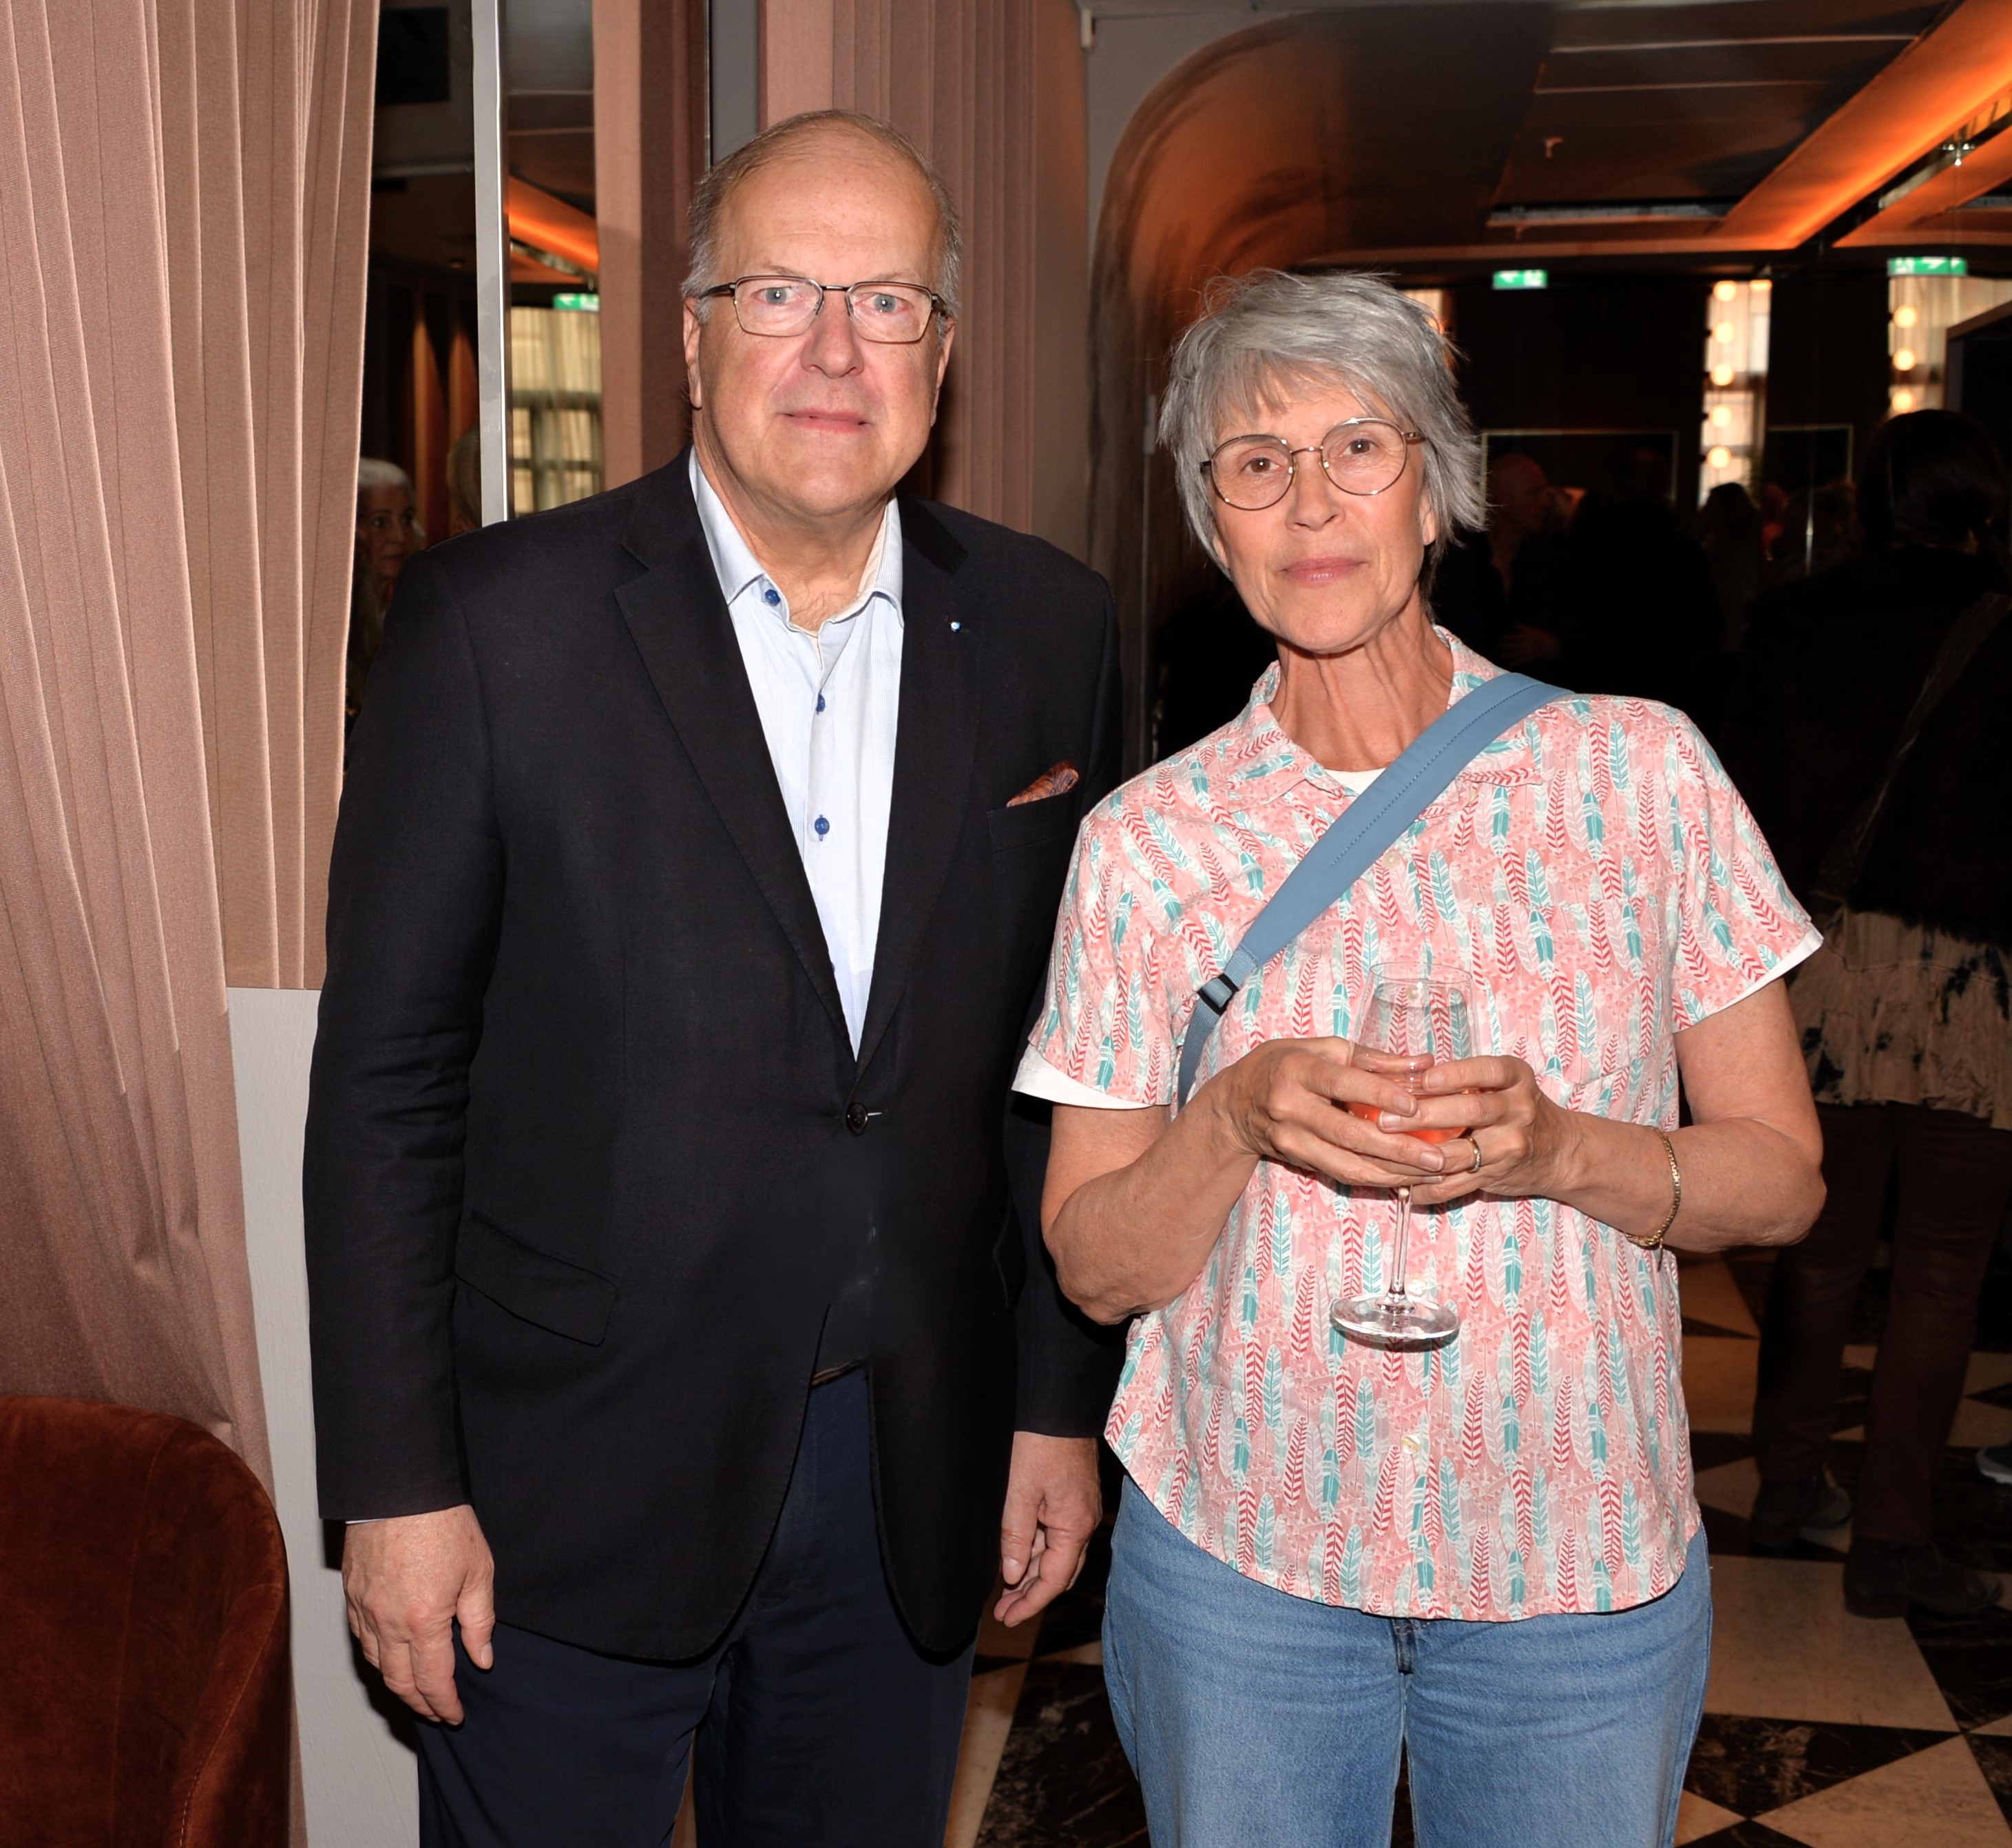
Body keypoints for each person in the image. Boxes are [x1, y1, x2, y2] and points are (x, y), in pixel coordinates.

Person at [306, 110, 1122, 1847]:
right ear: (689, 335)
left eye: (885, 301)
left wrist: (1056, 1404)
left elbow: (1068, 1065)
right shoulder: (495, 625)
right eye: (777, 293)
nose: (834, 350)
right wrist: (396, 1486)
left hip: (908, 1468)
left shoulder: (1051, 630)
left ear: (942, 354)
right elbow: (387, 1083)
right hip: (559, 1485)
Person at [1018, 270, 1825, 1848]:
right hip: (1242, 1566)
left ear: (1439, 485)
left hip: (1572, 1571)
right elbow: (1095, 1266)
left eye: (1358, 448)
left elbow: (1783, 1180)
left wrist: (1565, 1150)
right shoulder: (1146, 843)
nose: (1311, 502)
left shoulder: (1638, 776)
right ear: (1212, 518)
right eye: (1257, 462)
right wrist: (1232, 1118)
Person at [1723, 409, 2012, 1615]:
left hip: (1822, 960)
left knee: (1816, 1239)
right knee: (1940, 1267)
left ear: (1870, 499)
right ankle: (1893, 1541)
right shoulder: (2003, 626)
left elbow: (1737, 798)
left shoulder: (1794, 622)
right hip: (1975, 976)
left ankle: (1786, 1482)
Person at [1564, 446, 1719, 711]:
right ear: (1663, 487)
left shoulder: (1590, 537)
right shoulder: (1680, 541)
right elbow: (1705, 621)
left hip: (1601, 672)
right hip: (1664, 674)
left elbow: (1572, 608)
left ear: (1616, 485)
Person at [348, 458, 423, 724]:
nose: (400, 537)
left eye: (406, 519)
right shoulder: (338, 622)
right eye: (380, 522)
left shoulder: (419, 609)